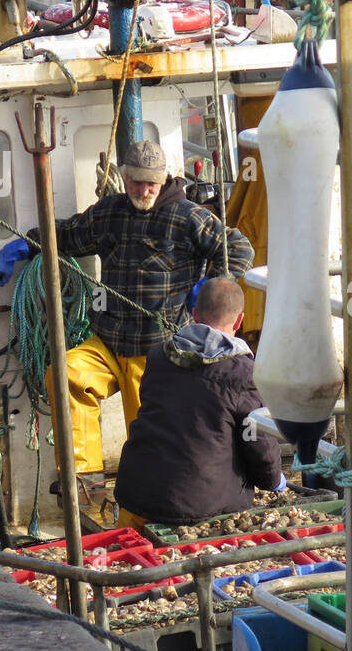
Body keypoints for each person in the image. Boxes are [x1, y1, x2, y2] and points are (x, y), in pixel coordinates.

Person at [31, 140, 254, 504]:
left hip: (156, 352)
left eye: (152, 183)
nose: (144, 190)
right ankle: (84, 478)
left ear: (165, 179)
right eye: (136, 182)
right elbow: (69, 235)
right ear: (124, 177)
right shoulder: (110, 213)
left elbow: (239, 247)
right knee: (65, 373)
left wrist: (212, 284)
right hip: (108, 340)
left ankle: (153, 515)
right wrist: (30, 241)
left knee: (150, 438)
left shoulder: (188, 216)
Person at [114, 277, 283, 527]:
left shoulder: (158, 356)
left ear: (194, 314)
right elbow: (256, 440)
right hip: (199, 510)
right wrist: (273, 480)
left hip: (135, 496)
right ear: (239, 320)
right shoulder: (245, 374)